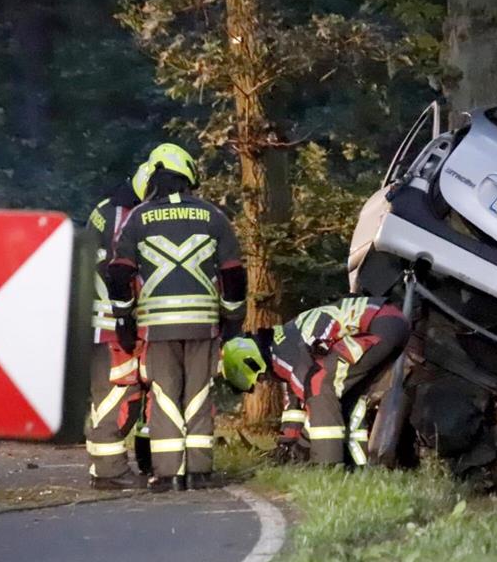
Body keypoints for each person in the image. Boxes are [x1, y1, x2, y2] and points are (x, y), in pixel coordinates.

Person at [108, 143, 246, 492]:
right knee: (198, 393)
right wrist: (232, 321)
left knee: (165, 394)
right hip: (203, 323)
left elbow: (120, 274)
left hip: (157, 326)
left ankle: (169, 472)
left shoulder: (138, 217)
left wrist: (124, 322)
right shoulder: (214, 215)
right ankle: (199, 472)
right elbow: (233, 275)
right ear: (187, 176)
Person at [222, 297, 410, 466]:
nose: (264, 381)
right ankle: (358, 466)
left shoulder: (286, 354)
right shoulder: (283, 344)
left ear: (252, 362)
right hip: (391, 324)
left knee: (320, 384)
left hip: (378, 324)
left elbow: (312, 395)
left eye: (260, 377)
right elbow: (295, 400)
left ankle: (327, 465)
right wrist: (287, 443)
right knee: (348, 399)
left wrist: (302, 446)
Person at [85, 162, 155, 490]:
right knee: (119, 394)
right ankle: (110, 470)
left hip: (99, 320)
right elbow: (123, 272)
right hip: (110, 324)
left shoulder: (106, 208)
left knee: (112, 395)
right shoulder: (122, 218)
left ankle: (105, 466)